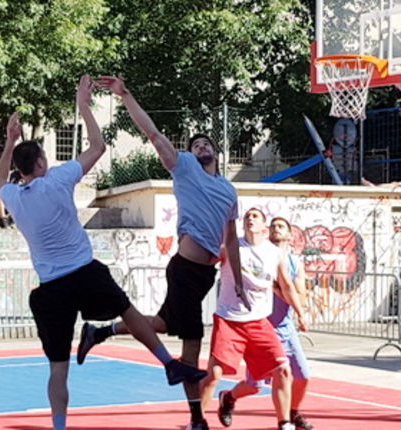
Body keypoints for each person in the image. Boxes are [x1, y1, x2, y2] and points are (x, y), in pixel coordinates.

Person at [0, 75, 206, 430]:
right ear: (42, 164)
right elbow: (98, 146)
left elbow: (0, 180)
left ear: (21, 169)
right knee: (127, 310)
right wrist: (83, 105)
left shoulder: (14, 197)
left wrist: (8, 141)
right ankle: (168, 363)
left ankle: (59, 426)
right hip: (84, 272)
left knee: (58, 369)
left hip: (50, 288)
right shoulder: (58, 179)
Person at [75, 75, 245, 430]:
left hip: (204, 275)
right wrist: (125, 95)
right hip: (184, 269)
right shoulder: (184, 167)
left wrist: (239, 281)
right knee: (192, 344)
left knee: (163, 323)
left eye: (206, 144)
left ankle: (99, 332)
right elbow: (152, 133)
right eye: (195, 144)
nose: (200, 147)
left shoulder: (229, 191)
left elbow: (230, 239)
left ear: (216, 153)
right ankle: (197, 419)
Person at [199, 208, 305, 430]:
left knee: (283, 370)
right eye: (247, 216)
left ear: (264, 227)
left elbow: (286, 285)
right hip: (229, 320)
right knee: (214, 375)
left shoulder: (275, 253)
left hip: (258, 322)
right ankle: (197, 421)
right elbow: (205, 260)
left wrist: (301, 313)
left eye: (255, 216)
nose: (250, 218)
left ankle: (284, 423)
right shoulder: (230, 247)